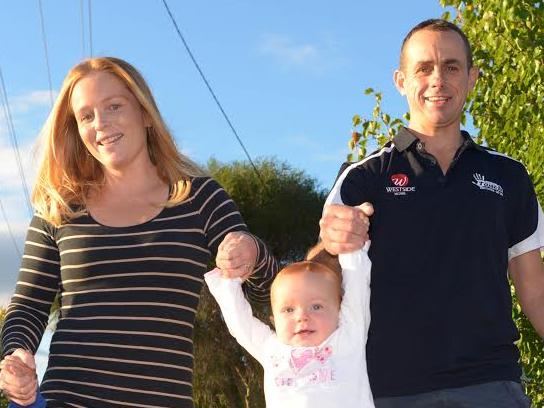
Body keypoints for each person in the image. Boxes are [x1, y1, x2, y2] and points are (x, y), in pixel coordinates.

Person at [0, 57, 277, 408]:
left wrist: (251, 252)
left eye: (114, 106)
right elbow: (28, 305)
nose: (101, 124)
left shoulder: (201, 197)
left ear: (145, 113)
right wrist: (16, 357)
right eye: (86, 116)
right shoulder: (59, 209)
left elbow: (271, 289)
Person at [320, 19, 544, 407]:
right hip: (389, 391)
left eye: (452, 67)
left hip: (492, 387)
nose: (438, 79)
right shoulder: (363, 178)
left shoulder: (509, 176)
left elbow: (536, 291)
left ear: (472, 78)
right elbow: (319, 276)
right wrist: (328, 241)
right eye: (424, 68)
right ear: (401, 80)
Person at [205, 240, 375, 407]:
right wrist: (229, 282)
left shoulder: (348, 338)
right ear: (273, 320)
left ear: (339, 312)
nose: (302, 317)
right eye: (288, 310)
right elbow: (240, 324)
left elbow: (356, 288)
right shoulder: (272, 350)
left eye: (316, 307)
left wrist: (351, 249)